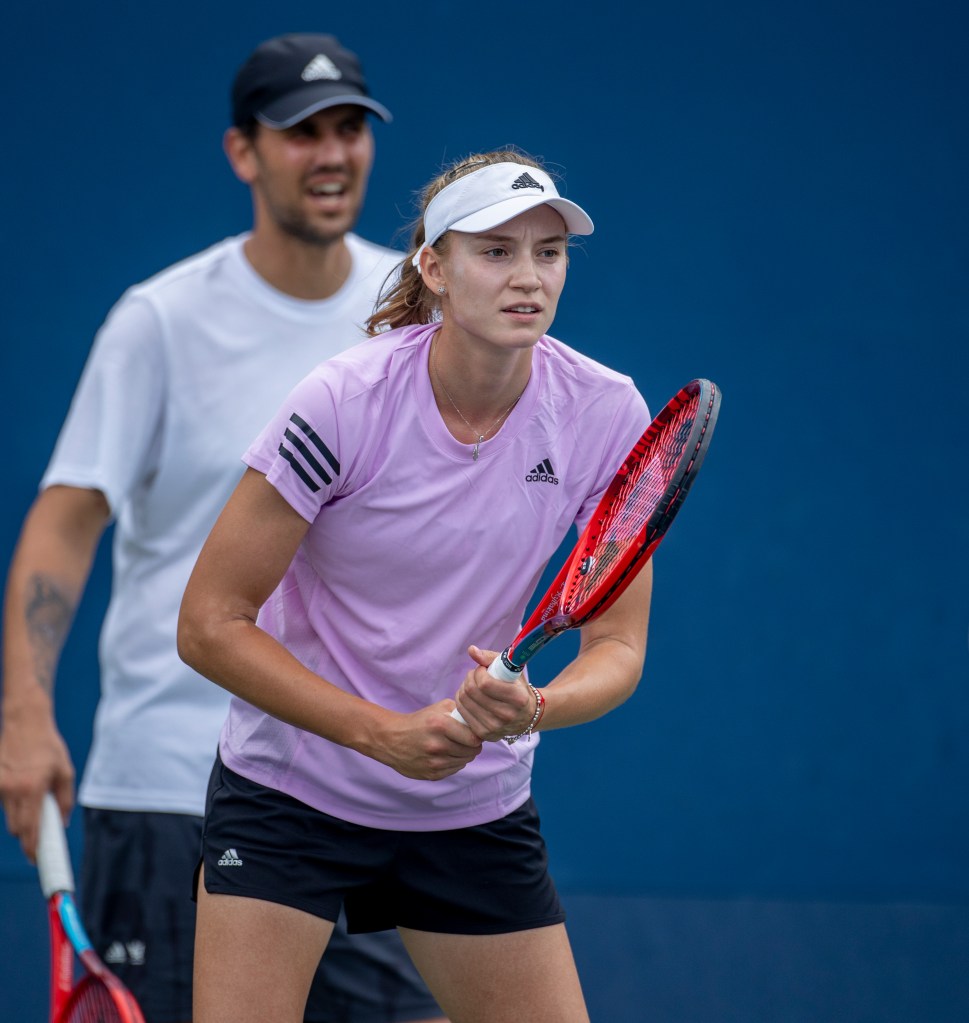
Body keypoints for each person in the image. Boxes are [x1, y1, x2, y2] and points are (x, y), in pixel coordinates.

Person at [0, 32, 446, 1023]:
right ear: (244, 152)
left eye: (349, 130)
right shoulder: (158, 322)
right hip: (171, 792)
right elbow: (65, 524)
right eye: (299, 132)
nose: (331, 154)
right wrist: (25, 714)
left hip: (353, 796)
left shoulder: (419, 321)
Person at [176, 149, 654, 1023]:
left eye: (548, 252)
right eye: (496, 251)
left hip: (469, 806)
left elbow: (618, 648)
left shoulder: (605, 411)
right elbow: (209, 623)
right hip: (293, 791)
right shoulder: (342, 401)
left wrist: (534, 706)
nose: (529, 277)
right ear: (433, 268)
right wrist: (381, 733)